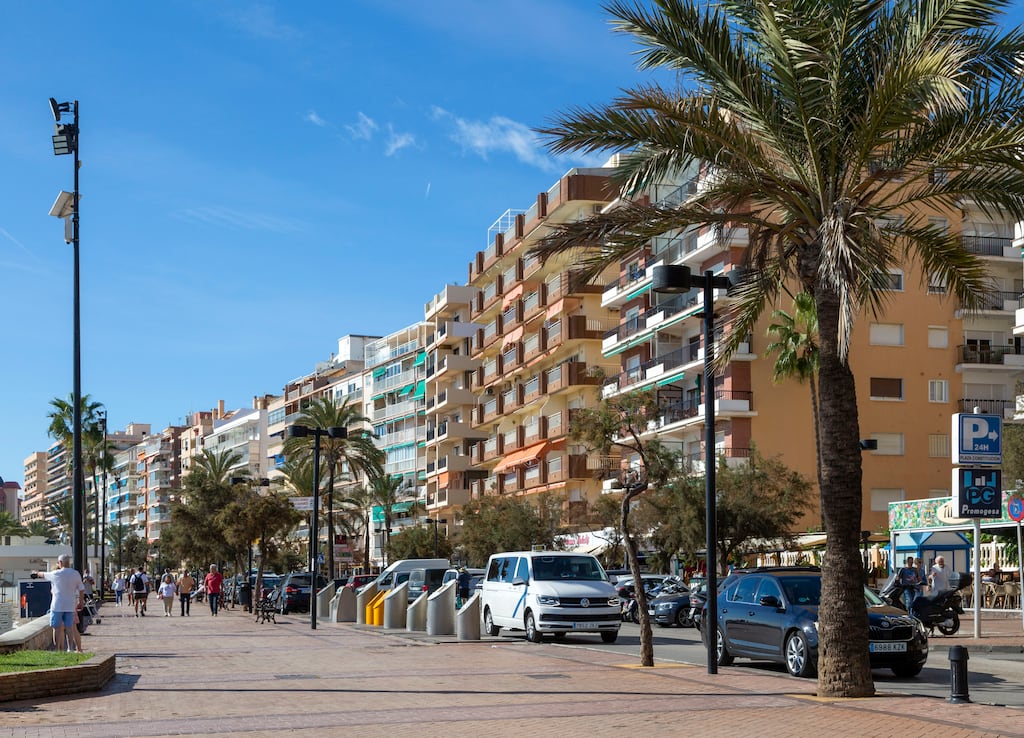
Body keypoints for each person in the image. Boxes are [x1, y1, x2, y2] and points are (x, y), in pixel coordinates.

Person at [31, 554, 85, 652]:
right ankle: (70, 648)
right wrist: (81, 602)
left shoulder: (56, 574)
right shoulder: (75, 574)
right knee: (70, 628)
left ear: (60, 563)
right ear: (69, 562)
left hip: (57, 605)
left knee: (56, 628)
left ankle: (58, 650)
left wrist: (35, 572)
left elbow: (42, 574)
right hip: (70, 605)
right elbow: (81, 589)